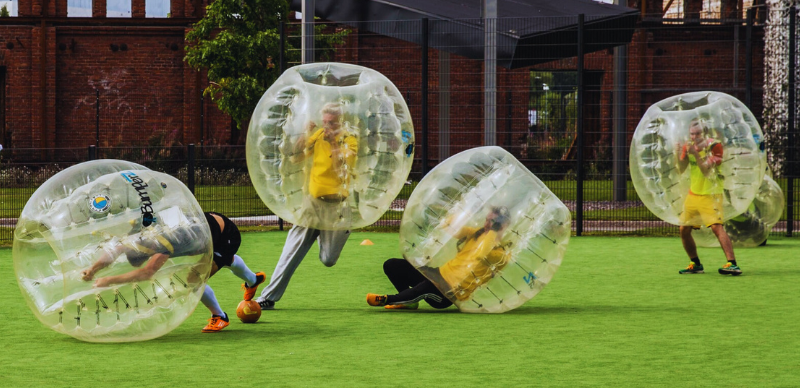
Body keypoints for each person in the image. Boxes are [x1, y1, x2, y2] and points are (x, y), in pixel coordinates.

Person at [81, 212, 266, 332]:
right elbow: (115, 250)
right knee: (225, 260)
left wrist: (108, 280)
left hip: (225, 236)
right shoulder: (139, 234)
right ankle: (253, 280)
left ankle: (219, 316)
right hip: (206, 229)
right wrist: (92, 269)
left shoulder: (162, 245)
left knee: (193, 278)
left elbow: (146, 273)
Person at [256, 103, 357, 310]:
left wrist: (334, 145)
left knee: (328, 259)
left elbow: (342, 169)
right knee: (291, 251)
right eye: (325, 122)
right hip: (313, 203)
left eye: (332, 123)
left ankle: (321, 236)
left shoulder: (350, 139)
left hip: (338, 206)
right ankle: (268, 297)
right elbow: (295, 158)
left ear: (340, 121)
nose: (327, 127)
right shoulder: (318, 134)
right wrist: (305, 134)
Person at [366, 206, 512, 310]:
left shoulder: (501, 253)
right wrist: (463, 209)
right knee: (393, 265)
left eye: (492, 222)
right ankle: (408, 302)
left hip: (449, 292)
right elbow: (450, 227)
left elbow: (481, 254)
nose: (487, 225)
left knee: (427, 287)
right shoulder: (478, 234)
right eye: (487, 220)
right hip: (438, 274)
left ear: (504, 225)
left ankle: (390, 299)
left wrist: (493, 232)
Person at [676, 120, 742, 276]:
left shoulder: (714, 146)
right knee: (683, 229)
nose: (695, 136)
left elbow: (706, 170)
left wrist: (696, 154)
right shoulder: (688, 146)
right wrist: (677, 153)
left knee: (716, 227)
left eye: (698, 133)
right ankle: (695, 263)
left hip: (711, 193)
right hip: (694, 194)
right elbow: (681, 169)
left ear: (704, 133)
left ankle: (732, 263)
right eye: (692, 134)